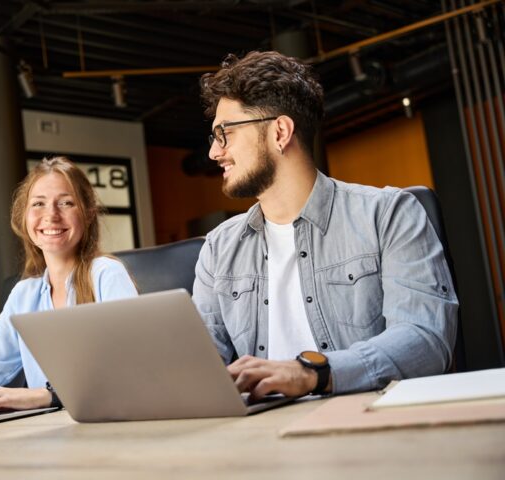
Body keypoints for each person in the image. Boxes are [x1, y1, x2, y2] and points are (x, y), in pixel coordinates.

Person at [194, 51, 458, 399]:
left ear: (280, 132)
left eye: (224, 133)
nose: (215, 152)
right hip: (259, 434)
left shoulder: (388, 214)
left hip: (364, 421)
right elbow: (199, 364)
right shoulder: (218, 247)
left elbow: (425, 338)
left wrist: (311, 373)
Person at [0, 156, 138, 415]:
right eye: (38, 203)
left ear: (89, 213)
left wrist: (47, 395)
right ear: (25, 216)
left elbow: (129, 366)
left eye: (66, 203)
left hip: (108, 427)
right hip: (49, 435)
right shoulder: (23, 294)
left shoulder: (106, 274)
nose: (51, 215)